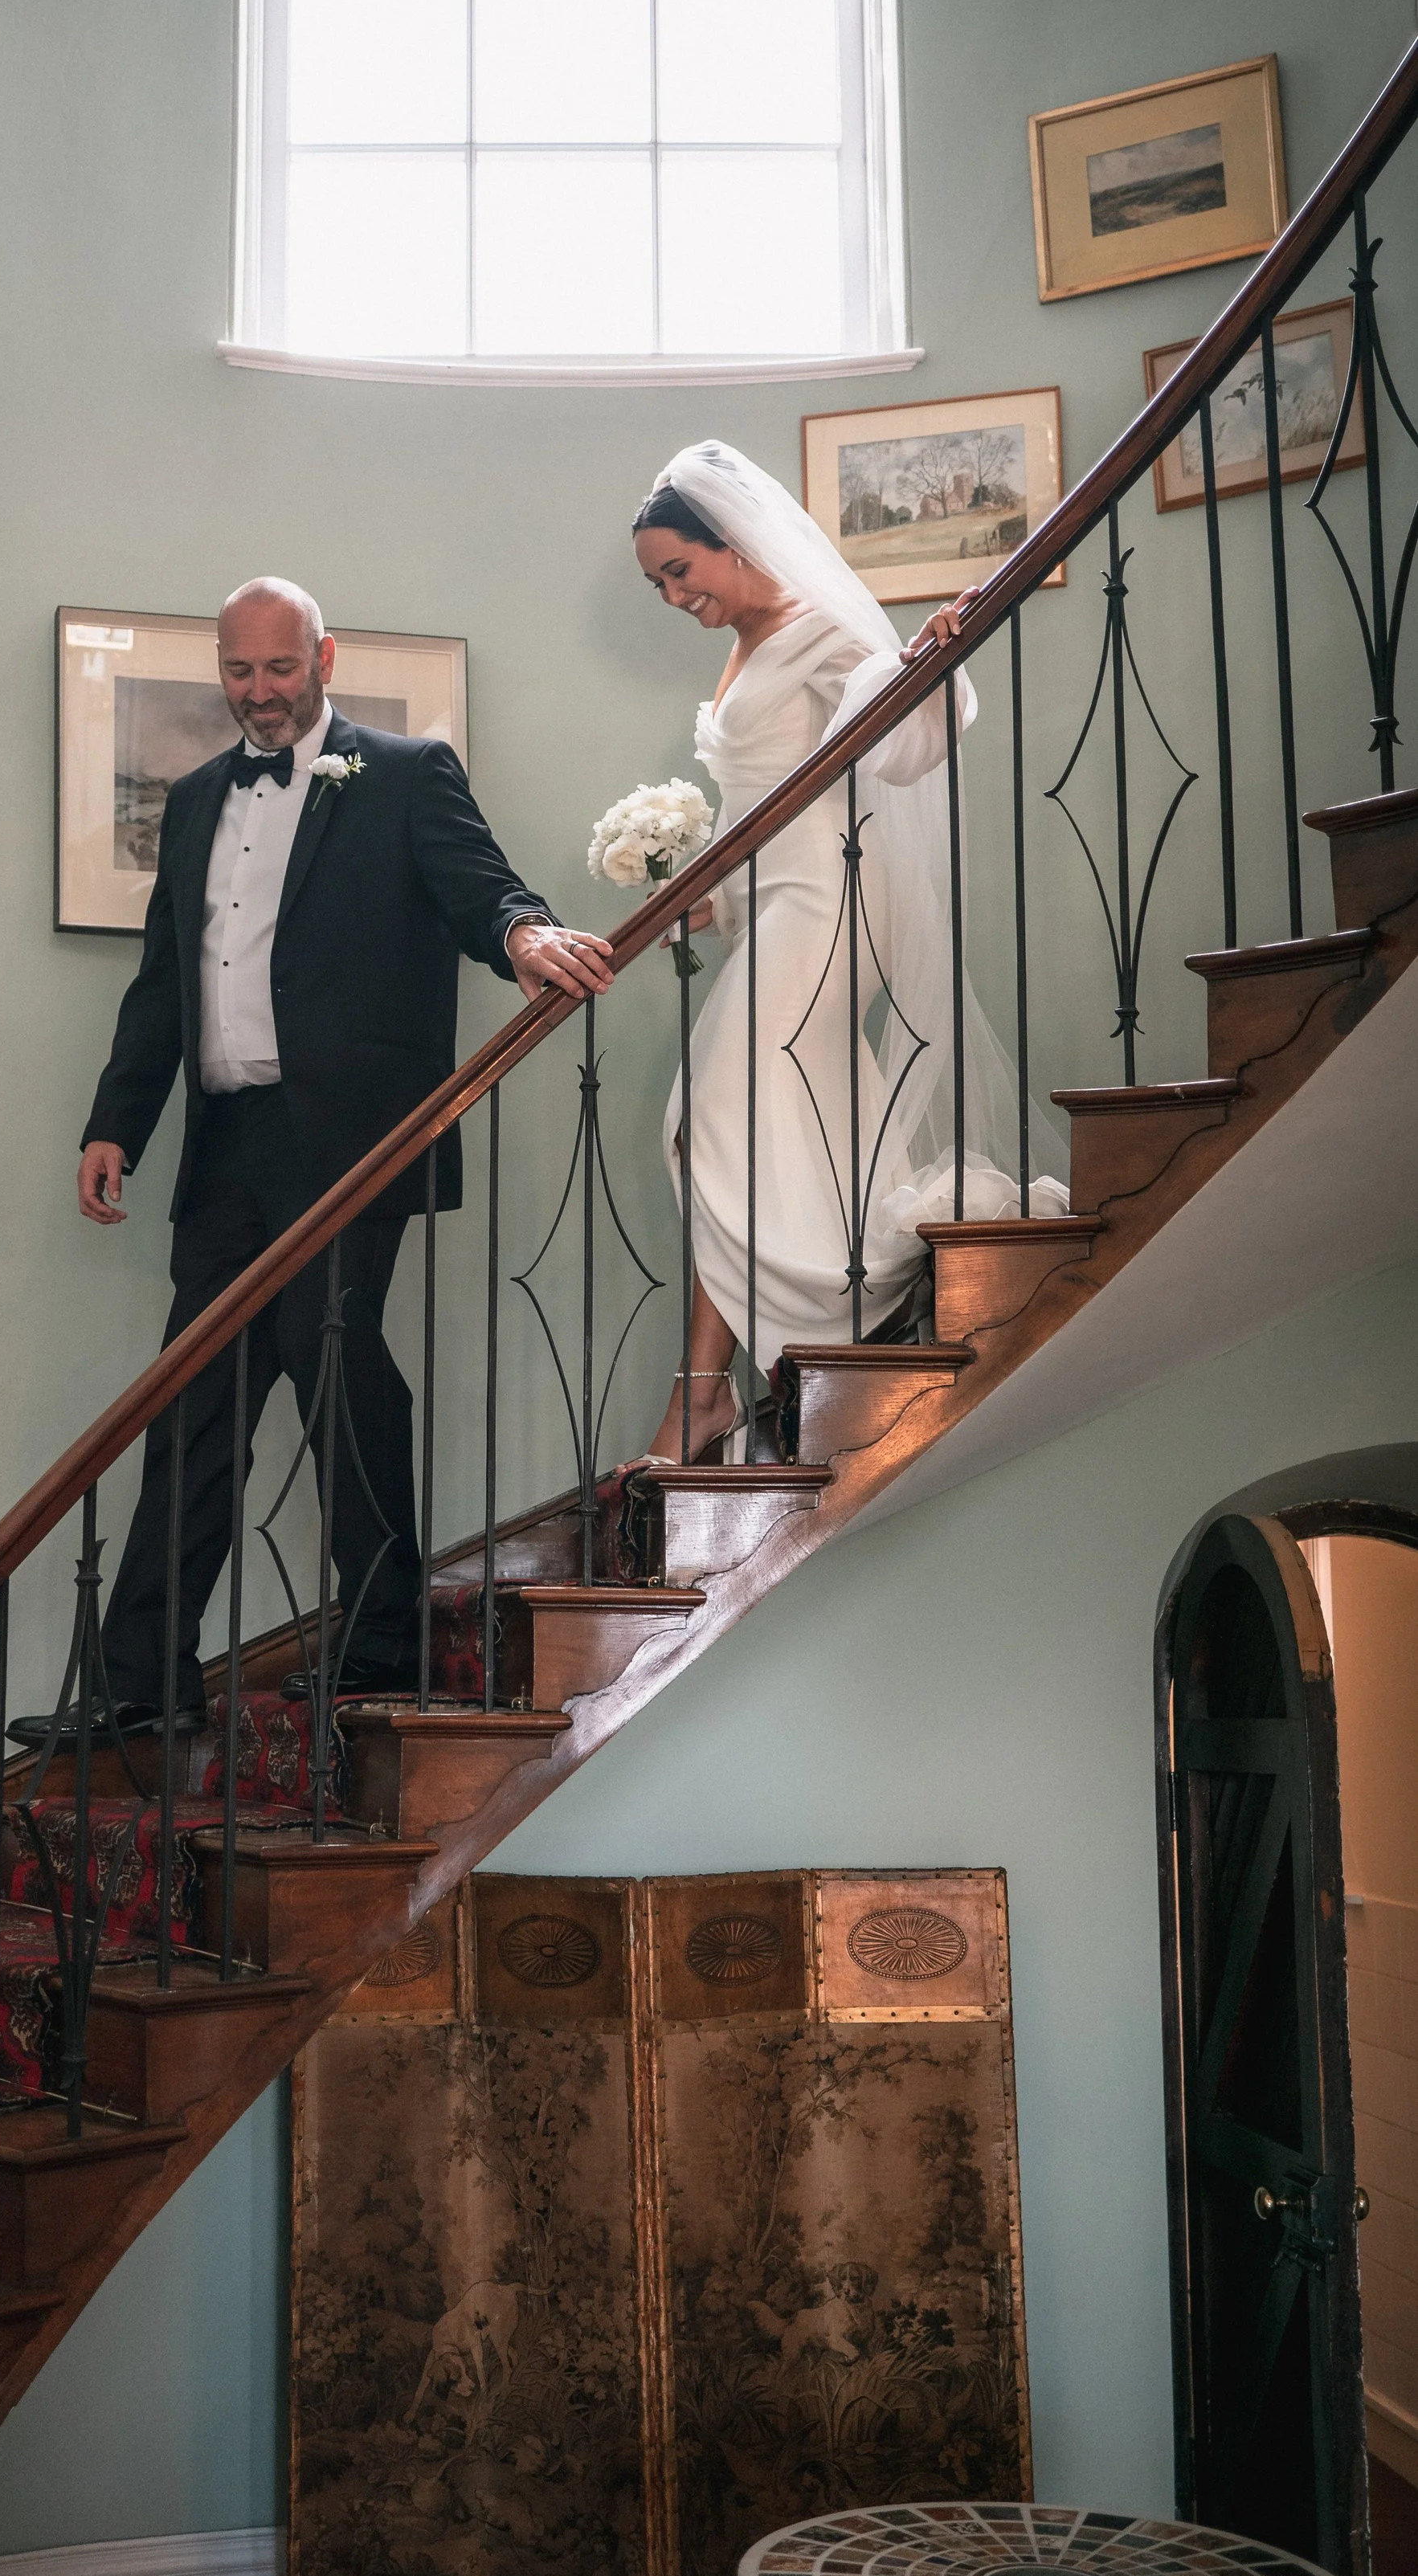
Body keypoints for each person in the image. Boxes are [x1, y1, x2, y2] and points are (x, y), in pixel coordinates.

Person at [79, 575, 615, 1731]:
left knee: (333, 1368)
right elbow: (164, 984)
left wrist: (528, 933)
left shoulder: (407, 773)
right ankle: (141, 1690)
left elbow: (481, 890)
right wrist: (117, 1119)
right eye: (239, 671)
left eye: (279, 667)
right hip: (226, 1143)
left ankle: (374, 1650)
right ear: (218, 671)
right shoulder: (193, 802)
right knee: (193, 1409)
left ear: (323, 656)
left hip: (350, 1143)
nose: (260, 693)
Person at [629, 440, 1063, 1464]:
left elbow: (901, 751)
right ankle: (716, 1385)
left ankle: (723, 1382)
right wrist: (714, 900)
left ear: (728, 543)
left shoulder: (816, 627)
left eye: (678, 571)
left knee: (710, 1117)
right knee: (732, 1129)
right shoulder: (743, 641)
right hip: (778, 906)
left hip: (833, 910)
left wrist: (920, 671)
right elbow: (778, 804)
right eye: (656, 585)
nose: (670, 595)